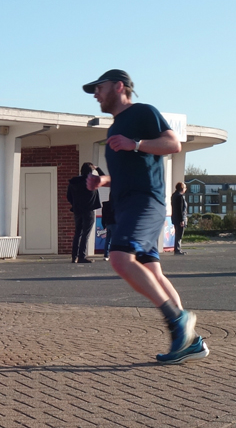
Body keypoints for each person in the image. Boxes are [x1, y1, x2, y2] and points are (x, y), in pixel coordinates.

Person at [83, 69, 209, 364]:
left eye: (98, 88)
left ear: (118, 86)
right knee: (151, 271)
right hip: (128, 204)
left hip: (145, 203)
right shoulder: (115, 128)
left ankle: (177, 321)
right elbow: (132, 171)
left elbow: (172, 144)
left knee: (119, 257)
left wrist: (135, 144)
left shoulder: (142, 113)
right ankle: (189, 342)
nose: (95, 95)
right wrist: (104, 182)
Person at [66, 162, 102, 263]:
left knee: (78, 233)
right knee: (86, 234)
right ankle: (82, 256)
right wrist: (98, 168)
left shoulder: (73, 182)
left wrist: (75, 204)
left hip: (77, 210)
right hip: (89, 210)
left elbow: (69, 196)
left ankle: (74, 257)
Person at [171, 181, 188, 254]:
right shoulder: (179, 197)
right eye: (184, 187)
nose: (186, 189)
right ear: (182, 188)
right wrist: (182, 220)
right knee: (179, 234)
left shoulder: (174, 196)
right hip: (180, 218)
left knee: (177, 234)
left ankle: (177, 249)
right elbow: (180, 209)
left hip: (175, 217)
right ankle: (177, 249)